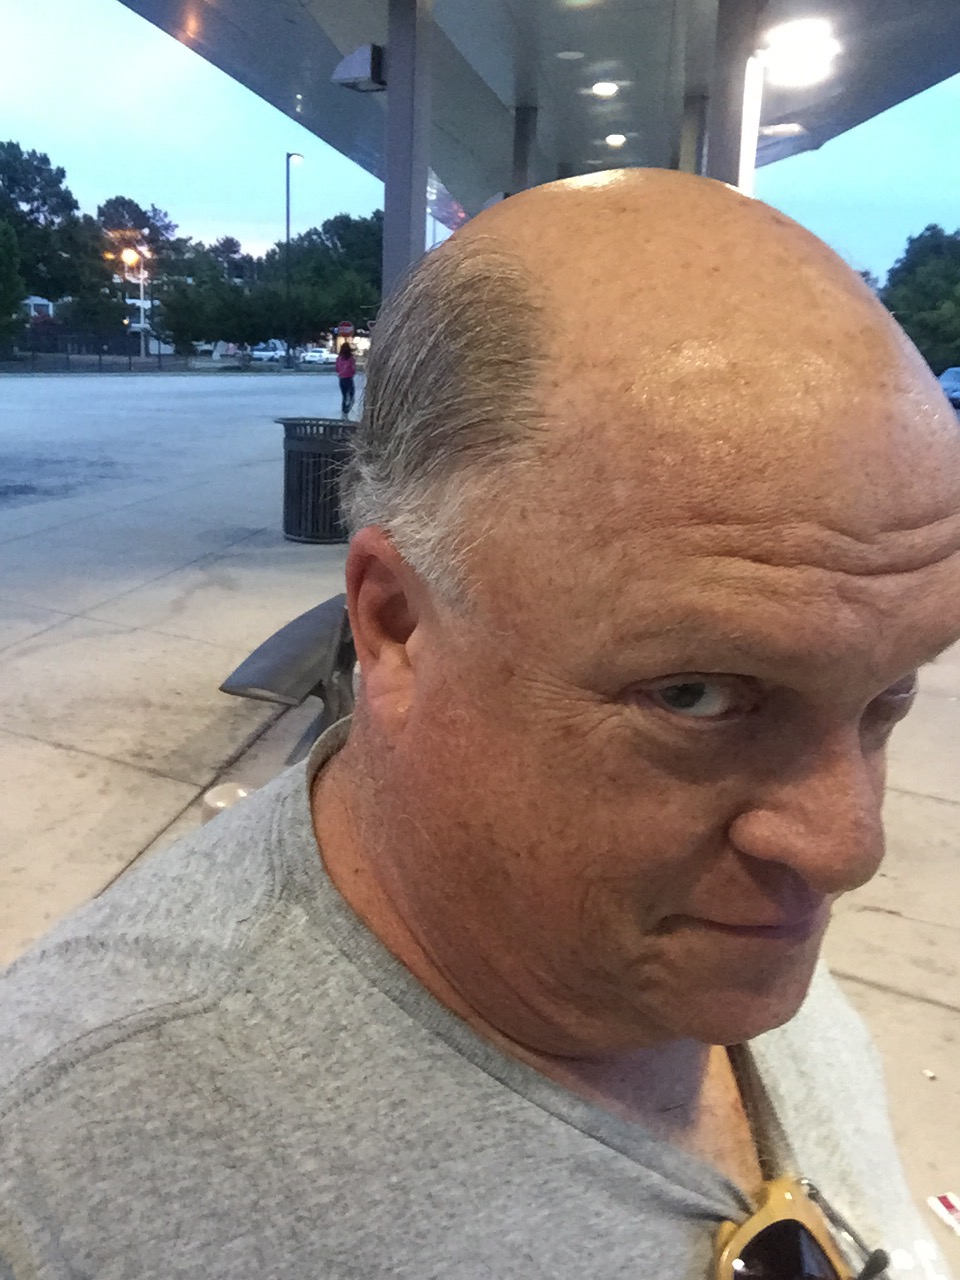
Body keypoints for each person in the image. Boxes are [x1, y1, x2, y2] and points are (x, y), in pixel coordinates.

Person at [1, 169, 959, 1280]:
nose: (847, 847)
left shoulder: (708, 929)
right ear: (396, 626)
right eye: (696, 696)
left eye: (890, 688)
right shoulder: (66, 1179)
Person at [336, 339, 357, 414]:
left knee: (344, 395)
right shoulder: (351, 359)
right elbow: (353, 369)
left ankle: (344, 409)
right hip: (349, 378)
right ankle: (348, 409)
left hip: (341, 379)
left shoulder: (339, 358)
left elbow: (337, 369)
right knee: (351, 394)